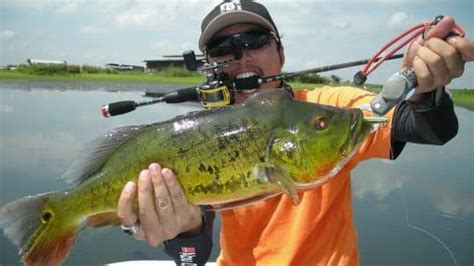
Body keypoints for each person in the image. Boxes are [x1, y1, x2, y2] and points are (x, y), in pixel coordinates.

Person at [117, 0, 473, 265]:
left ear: (281, 52)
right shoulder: (200, 136)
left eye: (255, 40)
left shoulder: (326, 107)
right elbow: (196, 253)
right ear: (210, 65)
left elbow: (428, 127)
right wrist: (182, 231)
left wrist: (429, 88)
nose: (241, 56)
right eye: (223, 49)